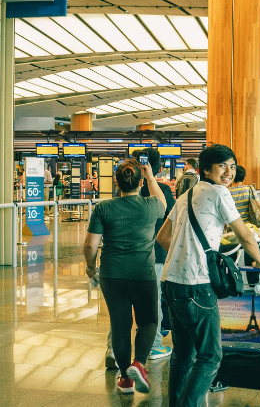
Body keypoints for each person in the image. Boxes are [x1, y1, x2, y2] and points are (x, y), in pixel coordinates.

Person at [156, 144, 260, 407]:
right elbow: (244, 235)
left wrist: (185, 254)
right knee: (209, 356)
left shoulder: (186, 194)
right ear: (206, 169)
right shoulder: (220, 193)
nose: (229, 172)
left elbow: (163, 237)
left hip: (171, 282)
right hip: (196, 286)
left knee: (183, 355)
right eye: (222, 166)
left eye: (232, 165)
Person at [82, 158, 168, 394]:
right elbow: (162, 201)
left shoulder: (103, 208)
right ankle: (139, 363)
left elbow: (90, 245)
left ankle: (125, 379)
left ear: (117, 183)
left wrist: (90, 268)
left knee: (120, 326)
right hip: (143, 273)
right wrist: (150, 176)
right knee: (149, 321)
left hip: (112, 274)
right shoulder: (151, 205)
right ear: (140, 183)